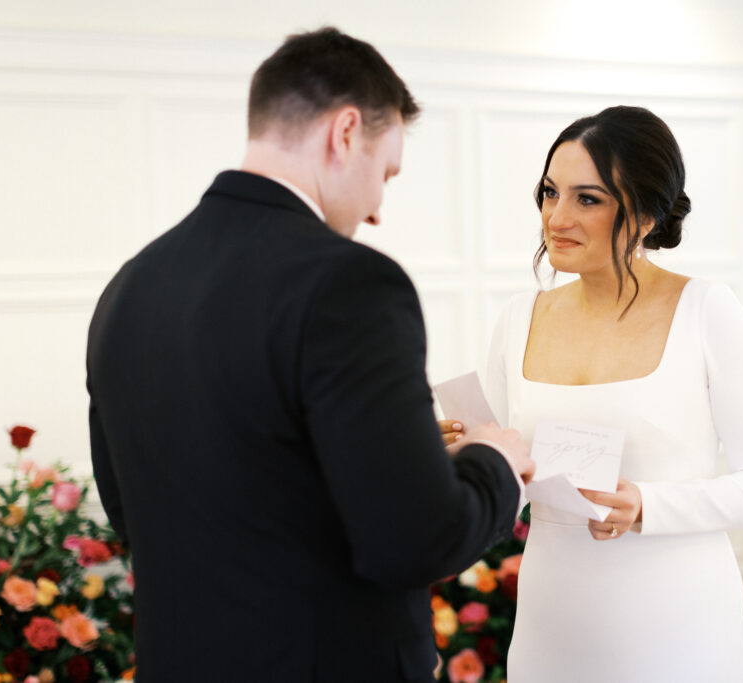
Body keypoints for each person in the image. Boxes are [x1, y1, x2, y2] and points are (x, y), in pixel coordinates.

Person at [86, 27, 533, 683]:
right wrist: (496, 462)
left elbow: (133, 506)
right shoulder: (352, 285)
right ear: (345, 132)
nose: (378, 208)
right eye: (386, 173)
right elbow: (416, 540)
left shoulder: (130, 285)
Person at [455, 105, 743, 681]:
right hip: (552, 624)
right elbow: (506, 485)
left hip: (676, 622)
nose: (557, 218)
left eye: (587, 199)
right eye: (549, 192)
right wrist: (464, 457)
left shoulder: (707, 312)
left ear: (642, 213)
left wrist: (647, 505)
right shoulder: (519, 319)